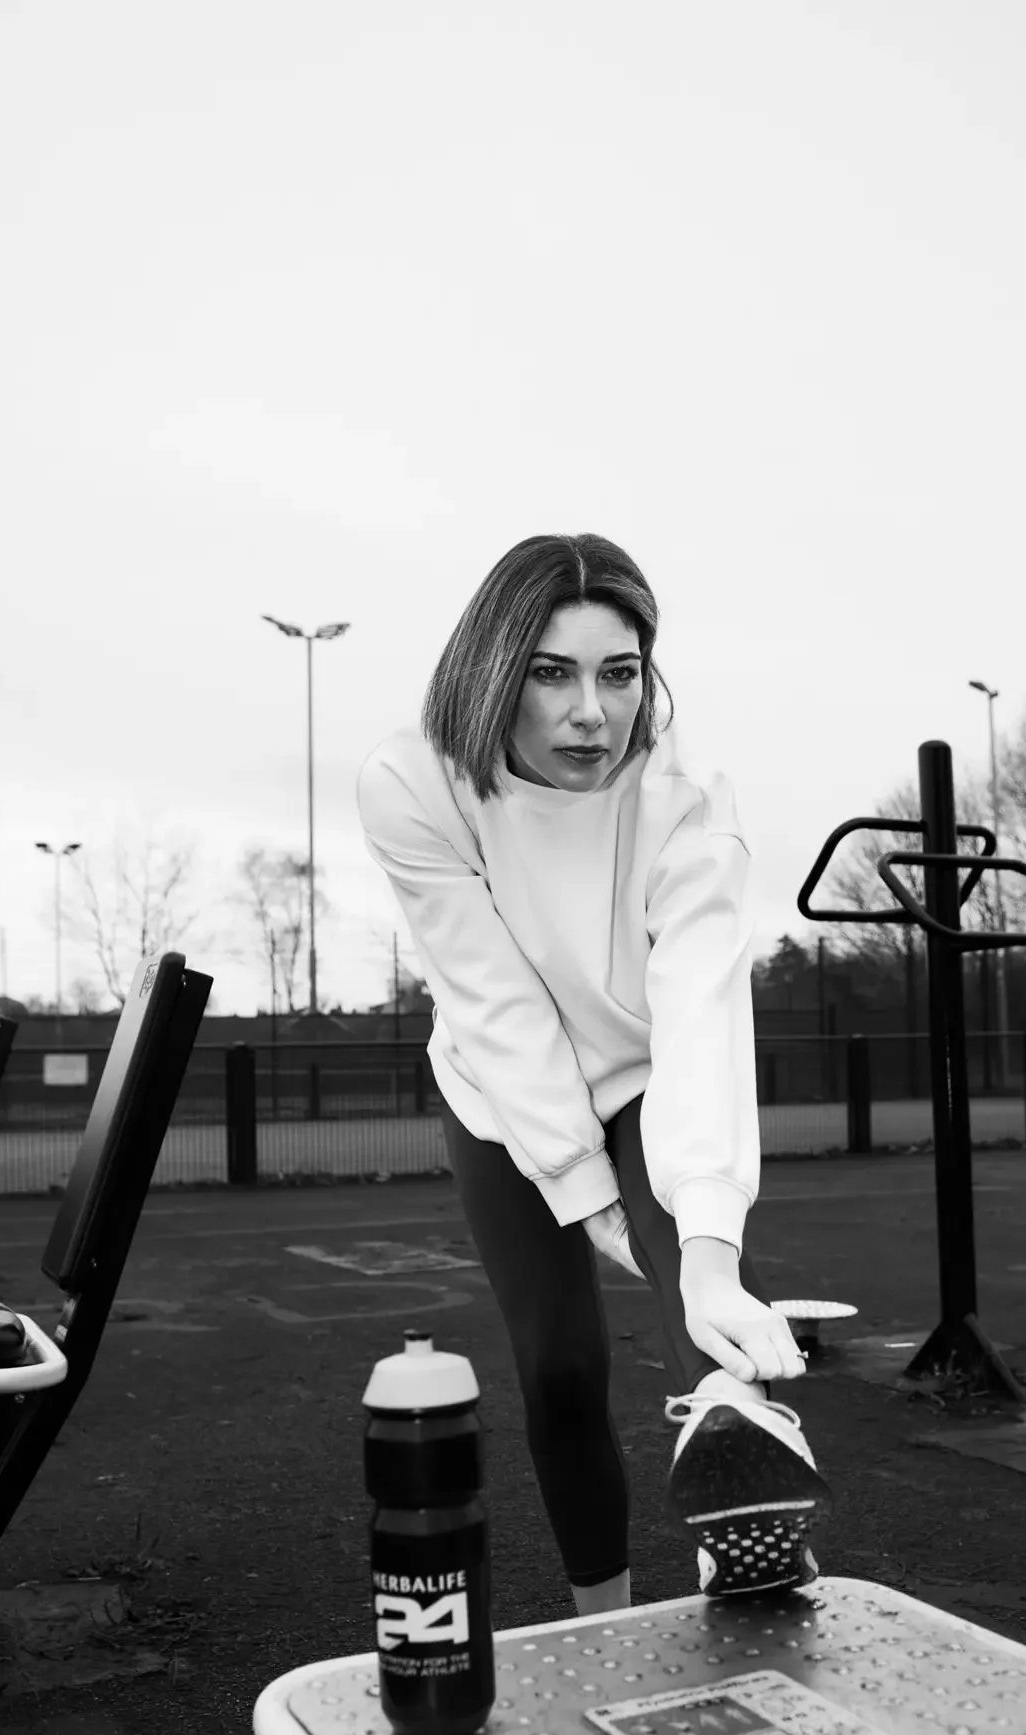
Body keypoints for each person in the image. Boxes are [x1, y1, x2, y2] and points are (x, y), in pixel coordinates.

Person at [356, 533, 830, 1618]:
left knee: (699, 1313)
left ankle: (745, 1529)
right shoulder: (413, 781)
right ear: (493, 671)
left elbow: (704, 1010)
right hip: (498, 1082)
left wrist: (707, 1244)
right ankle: (601, 1623)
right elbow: (495, 1003)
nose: (591, 712)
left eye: (619, 673)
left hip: (645, 1069)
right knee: (560, 1366)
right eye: (552, 672)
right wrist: (581, 1186)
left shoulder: (686, 798)